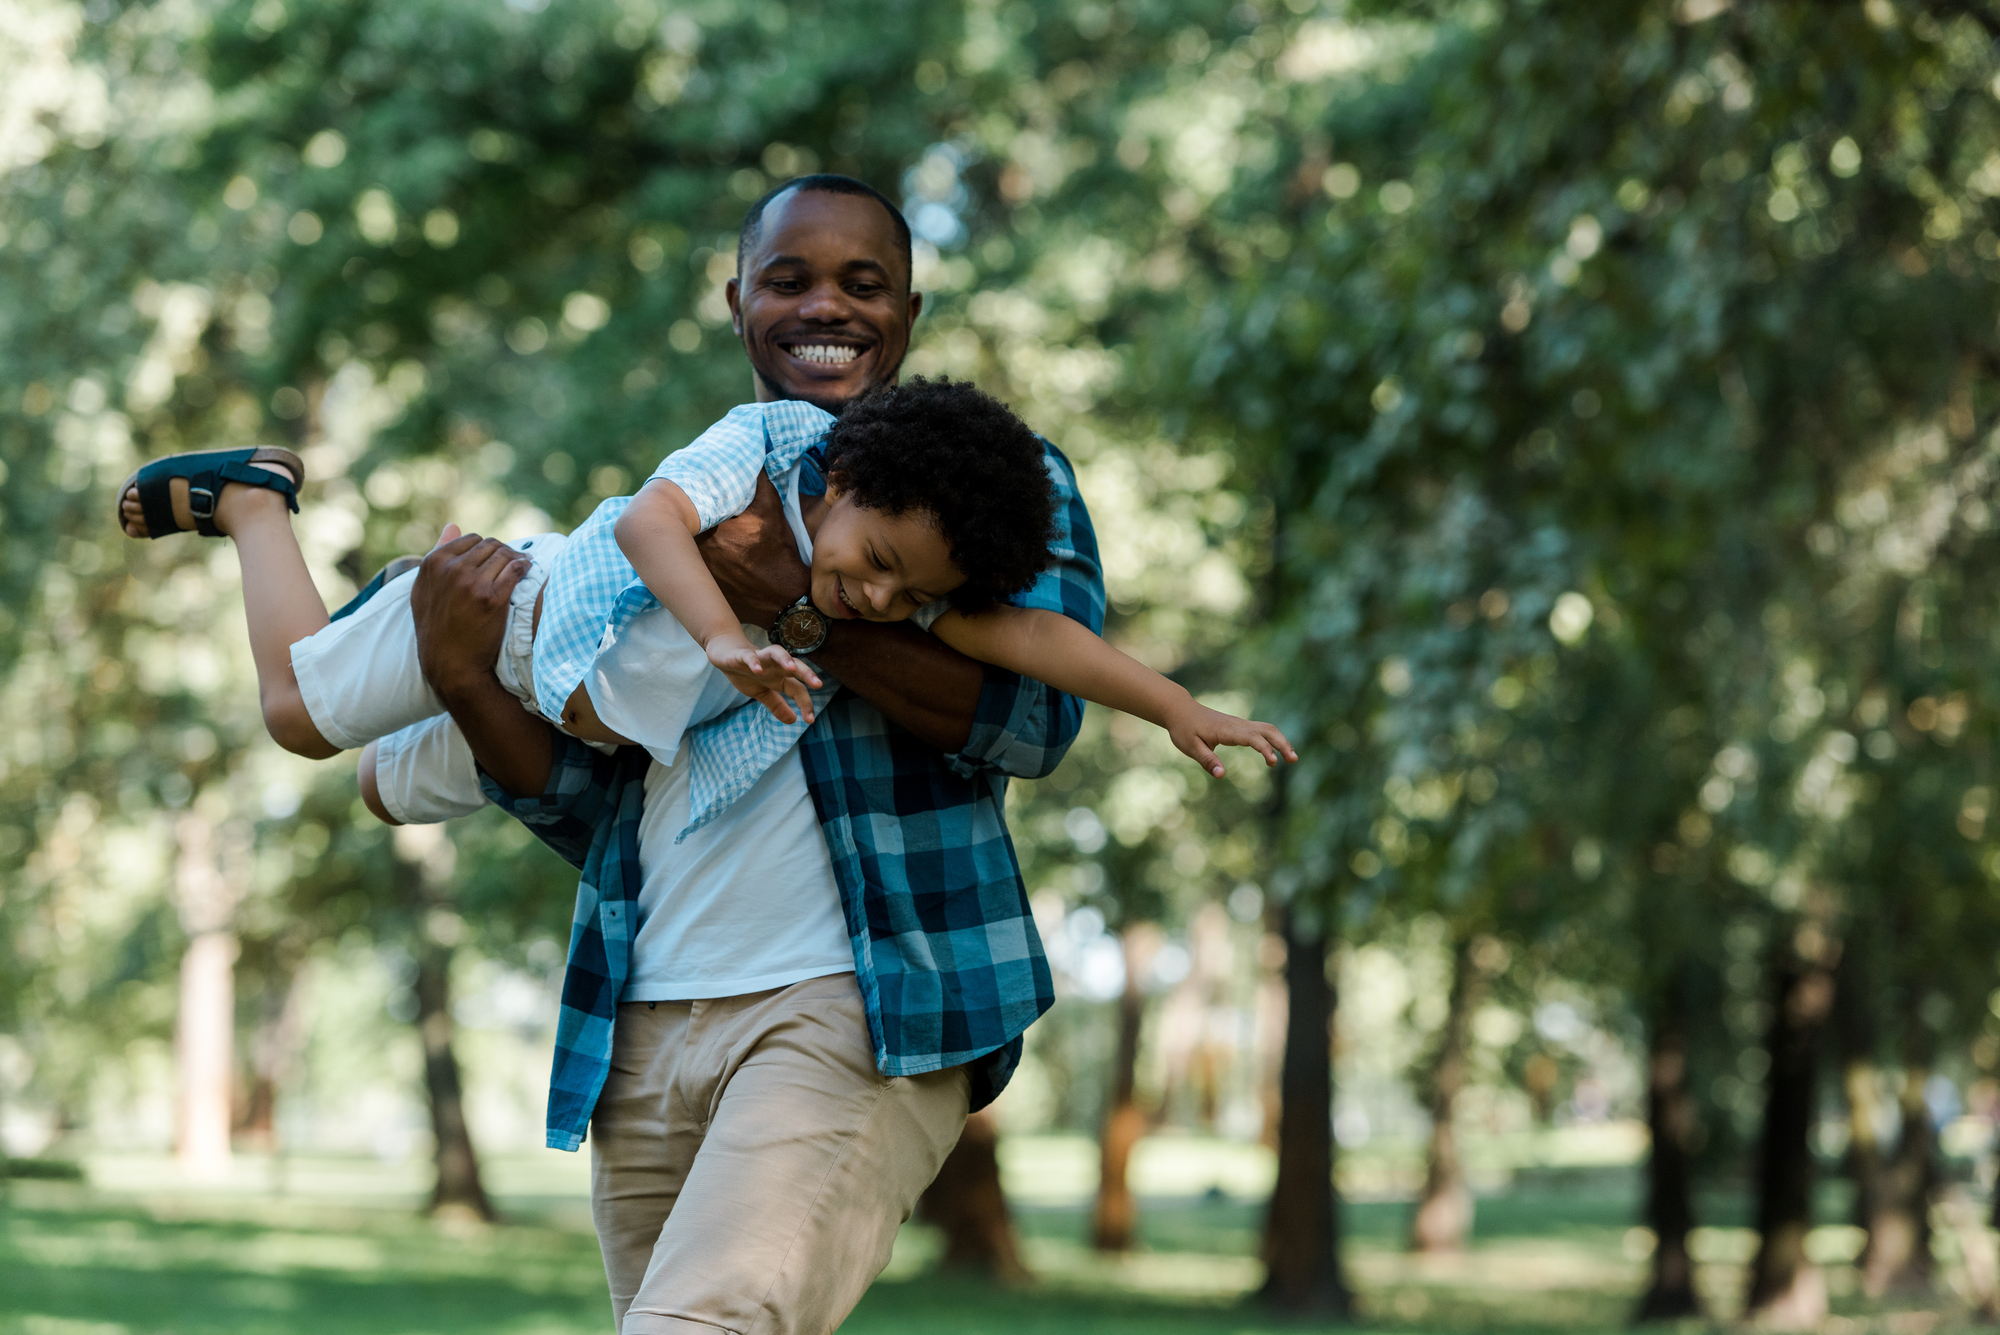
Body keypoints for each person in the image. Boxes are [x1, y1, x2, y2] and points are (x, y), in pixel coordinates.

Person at [115, 379, 1293, 844]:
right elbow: (645, 524)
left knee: (376, 793)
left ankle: (293, 556)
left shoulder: (897, 585)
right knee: (296, 716)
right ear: (840, 478)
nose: (877, 599)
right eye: (876, 559)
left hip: (567, 709)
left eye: (910, 595)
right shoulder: (764, 445)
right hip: (517, 612)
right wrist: (730, 632)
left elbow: (1036, 638)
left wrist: (1174, 706)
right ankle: (257, 506)